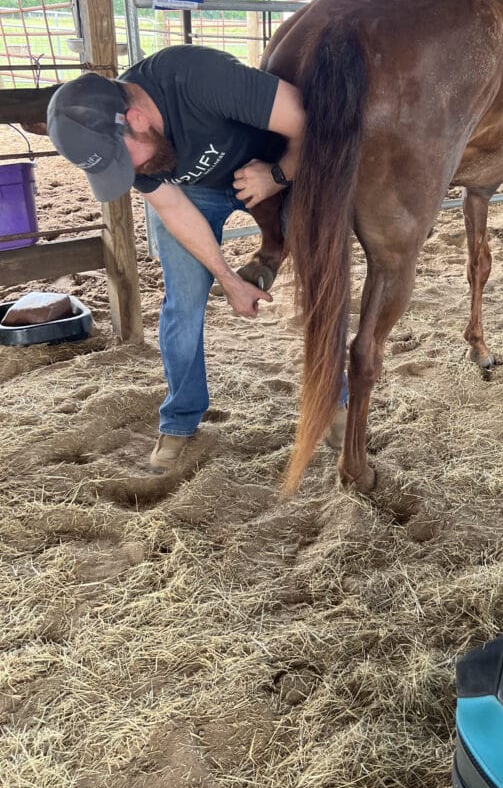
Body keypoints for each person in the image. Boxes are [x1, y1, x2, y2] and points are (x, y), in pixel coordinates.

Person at [46, 44, 307, 472]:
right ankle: (181, 420)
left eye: (122, 160)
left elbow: (312, 121)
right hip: (196, 194)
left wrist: (279, 175)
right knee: (182, 306)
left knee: (323, 278)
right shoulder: (138, 156)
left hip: (275, 167)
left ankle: (337, 402)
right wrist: (227, 279)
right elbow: (173, 209)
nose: (128, 175)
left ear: (136, 118)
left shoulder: (196, 78)